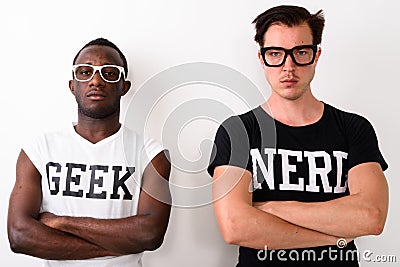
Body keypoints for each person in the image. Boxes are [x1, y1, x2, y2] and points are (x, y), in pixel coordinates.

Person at [208, 5, 388, 267]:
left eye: (301, 52)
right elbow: (236, 226)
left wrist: (271, 208)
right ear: (262, 58)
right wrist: (337, 237)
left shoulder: (354, 128)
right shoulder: (238, 132)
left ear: (316, 55)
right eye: (276, 54)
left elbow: (371, 217)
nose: (288, 66)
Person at [7, 38, 171, 267]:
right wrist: (117, 245)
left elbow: (150, 234)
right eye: (85, 72)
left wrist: (62, 222)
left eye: (109, 73)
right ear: (73, 85)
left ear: (124, 86)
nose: (96, 80)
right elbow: (19, 236)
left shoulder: (152, 154)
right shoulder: (39, 150)